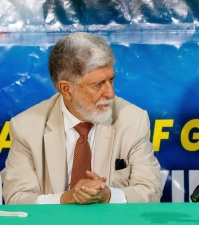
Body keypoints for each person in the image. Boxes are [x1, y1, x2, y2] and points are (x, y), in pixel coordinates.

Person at [1, 32, 162, 204]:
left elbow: (150, 190)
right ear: (66, 89)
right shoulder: (26, 127)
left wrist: (109, 195)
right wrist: (67, 199)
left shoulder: (133, 120)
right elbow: (17, 197)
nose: (110, 93)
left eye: (111, 80)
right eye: (98, 84)